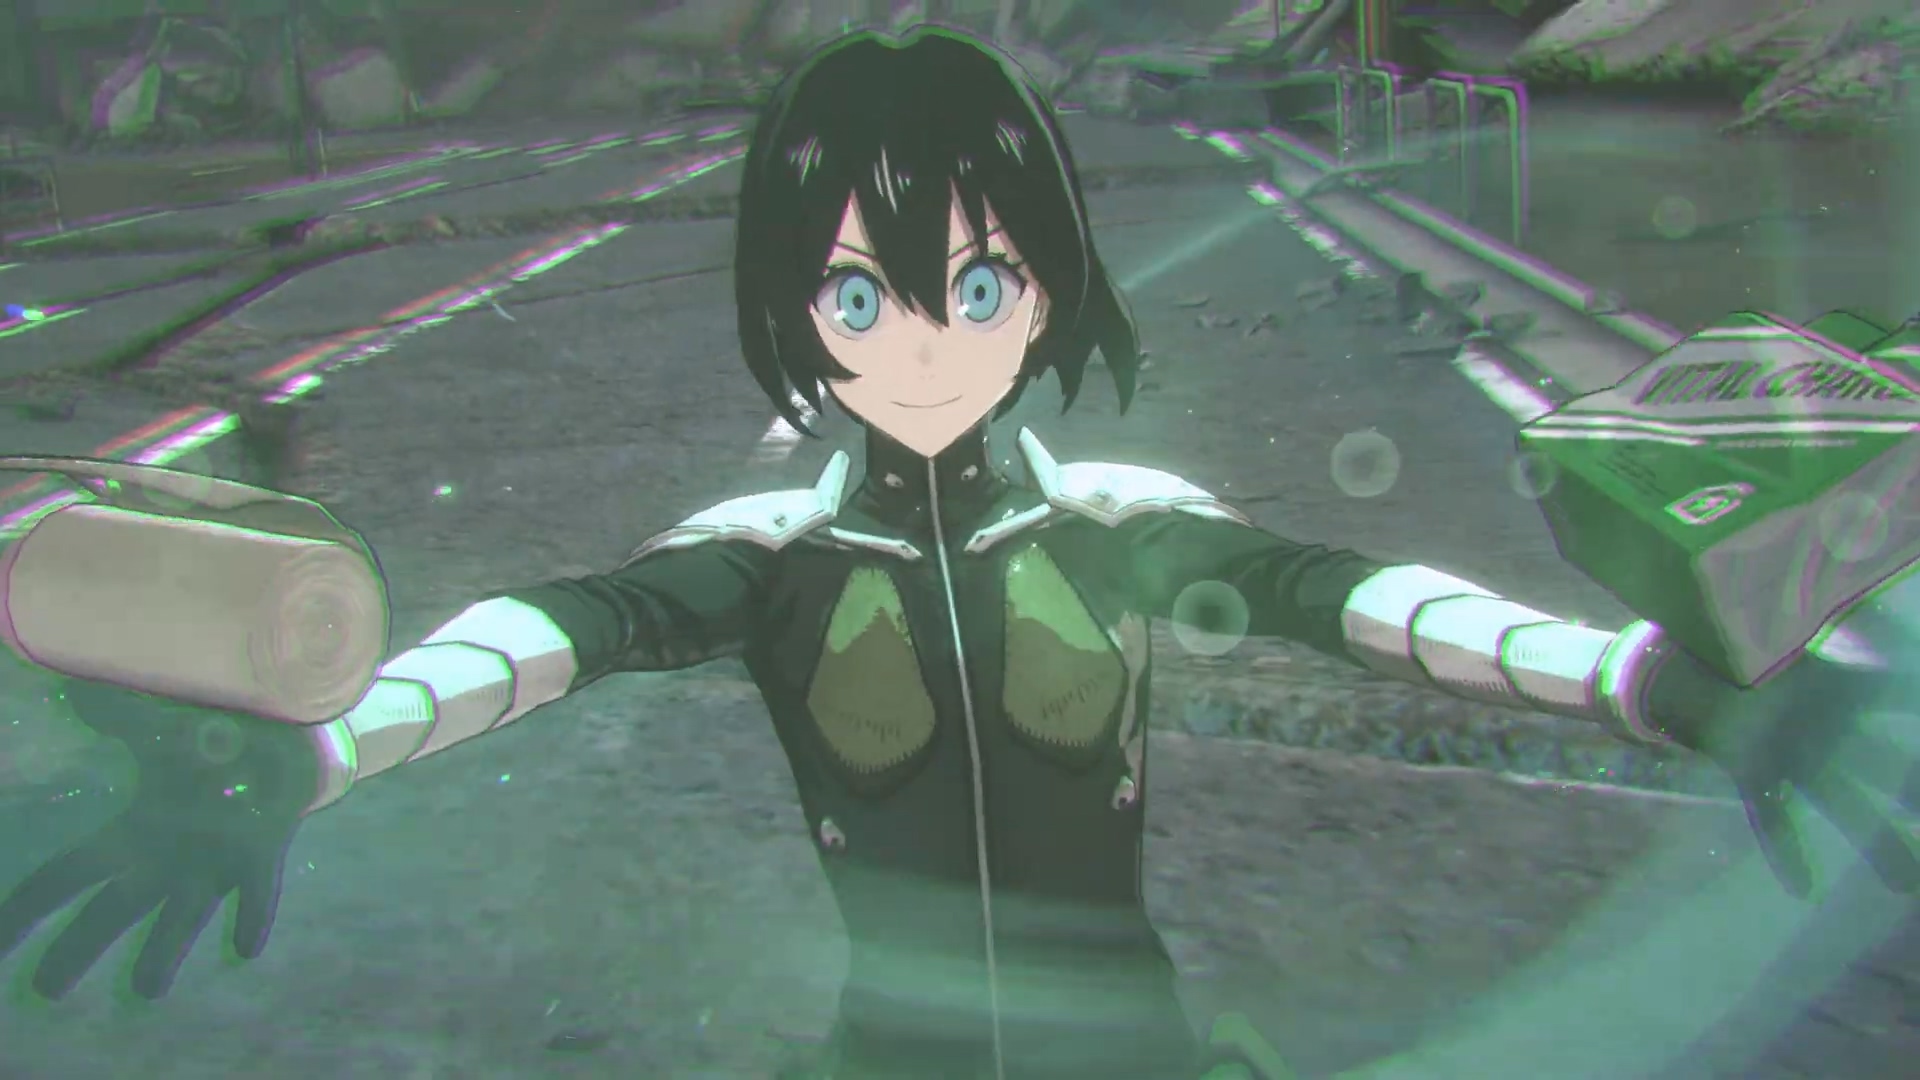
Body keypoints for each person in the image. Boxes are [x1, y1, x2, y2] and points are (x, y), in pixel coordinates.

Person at [1, 25, 1914, 1080]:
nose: (924, 338)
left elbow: (1369, 603)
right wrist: (319, 751)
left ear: (1043, 287)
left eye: (976, 282)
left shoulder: (1118, 522)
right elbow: (544, 634)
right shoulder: (766, 552)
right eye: (861, 293)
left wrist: (1645, 680)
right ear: (795, 312)